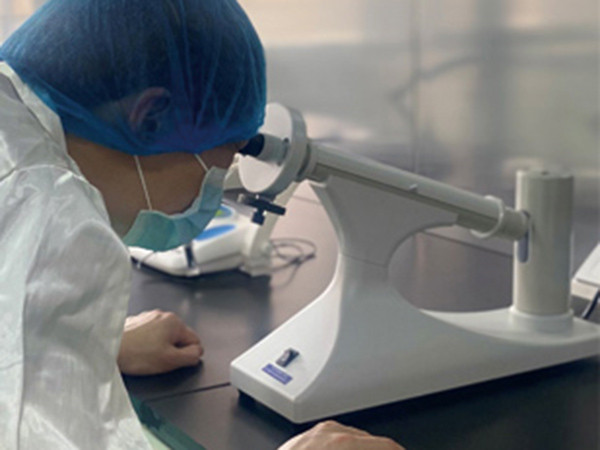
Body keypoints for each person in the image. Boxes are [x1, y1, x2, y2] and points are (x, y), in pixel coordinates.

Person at [0, 1, 404, 449]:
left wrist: (81, 344)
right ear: (151, 116)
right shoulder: (53, 214)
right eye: (220, 164)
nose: (210, 193)